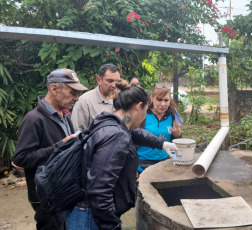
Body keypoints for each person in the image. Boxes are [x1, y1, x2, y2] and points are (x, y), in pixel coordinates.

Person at [65, 81, 159, 229]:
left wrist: (162, 143)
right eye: (146, 111)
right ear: (138, 106)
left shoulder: (109, 121)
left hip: (90, 211)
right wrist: (112, 225)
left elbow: (133, 131)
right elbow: (99, 190)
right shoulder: (116, 136)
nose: (144, 117)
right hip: (92, 217)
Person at [13, 68, 88, 230]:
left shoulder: (65, 117)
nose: (76, 98)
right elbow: (21, 158)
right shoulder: (33, 119)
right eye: (73, 93)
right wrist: (61, 145)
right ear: (54, 89)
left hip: (64, 195)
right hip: (45, 198)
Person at [137, 83, 182, 173]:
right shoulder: (143, 114)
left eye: (166, 100)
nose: (163, 104)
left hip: (164, 163)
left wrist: (178, 135)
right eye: (159, 99)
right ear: (152, 98)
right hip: (141, 165)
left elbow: (176, 141)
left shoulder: (172, 115)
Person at [71, 63, 121, 131]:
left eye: (117, 81)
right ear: (99, 80)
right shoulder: (85, 101)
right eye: (110, 81)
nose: (114, 85)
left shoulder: (122, 99)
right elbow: (76, 133)